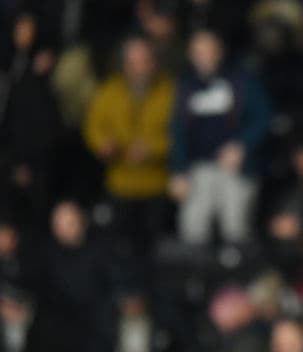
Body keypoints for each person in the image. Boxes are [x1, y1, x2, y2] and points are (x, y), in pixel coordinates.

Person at [169, 30, 271, 246]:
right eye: (198, 52)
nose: (203, 57)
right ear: (190, 55)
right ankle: (195, 278)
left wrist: (242, 145)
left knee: (236, 227)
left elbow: (263, 117)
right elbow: (178, 130)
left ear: (219, 52)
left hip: (236, 166)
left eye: (208, 51)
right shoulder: (186, 85)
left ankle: (238, 276)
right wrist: (178, 171)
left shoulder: (242, 80)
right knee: (192, 225)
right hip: (199, 166)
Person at [83, 36, 174, 258]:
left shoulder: (170, 91)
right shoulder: (109, 91)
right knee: (119, 248)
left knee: (155, 249)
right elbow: (93, 125)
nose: (139, 68)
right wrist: (103, 144)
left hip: (156, 185)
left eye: (145, 61)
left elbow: (182, 135)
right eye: (133, 63)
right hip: (119, 184)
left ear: (154, 62)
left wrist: (153, 148)